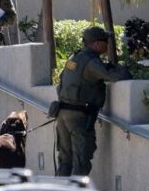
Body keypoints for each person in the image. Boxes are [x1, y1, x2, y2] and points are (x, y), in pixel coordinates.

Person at [55, 26, 131, 176]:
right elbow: (116, 76)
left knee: (65, 160)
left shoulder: (74, 58)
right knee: (81, 162)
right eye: (105, 41)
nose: (107, 44)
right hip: (79, 117)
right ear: (96, 43)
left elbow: (62, 79)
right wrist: (123, 69)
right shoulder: (91, 62)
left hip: (63, 113)